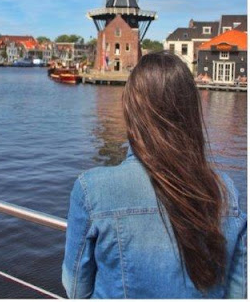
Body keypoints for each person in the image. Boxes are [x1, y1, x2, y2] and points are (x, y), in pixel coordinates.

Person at [62, 51, 246, 298]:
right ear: (191, 111)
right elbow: (238, 290)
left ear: (131, 110)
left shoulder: (91, 190)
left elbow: (76, 289)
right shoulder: (224, 190)